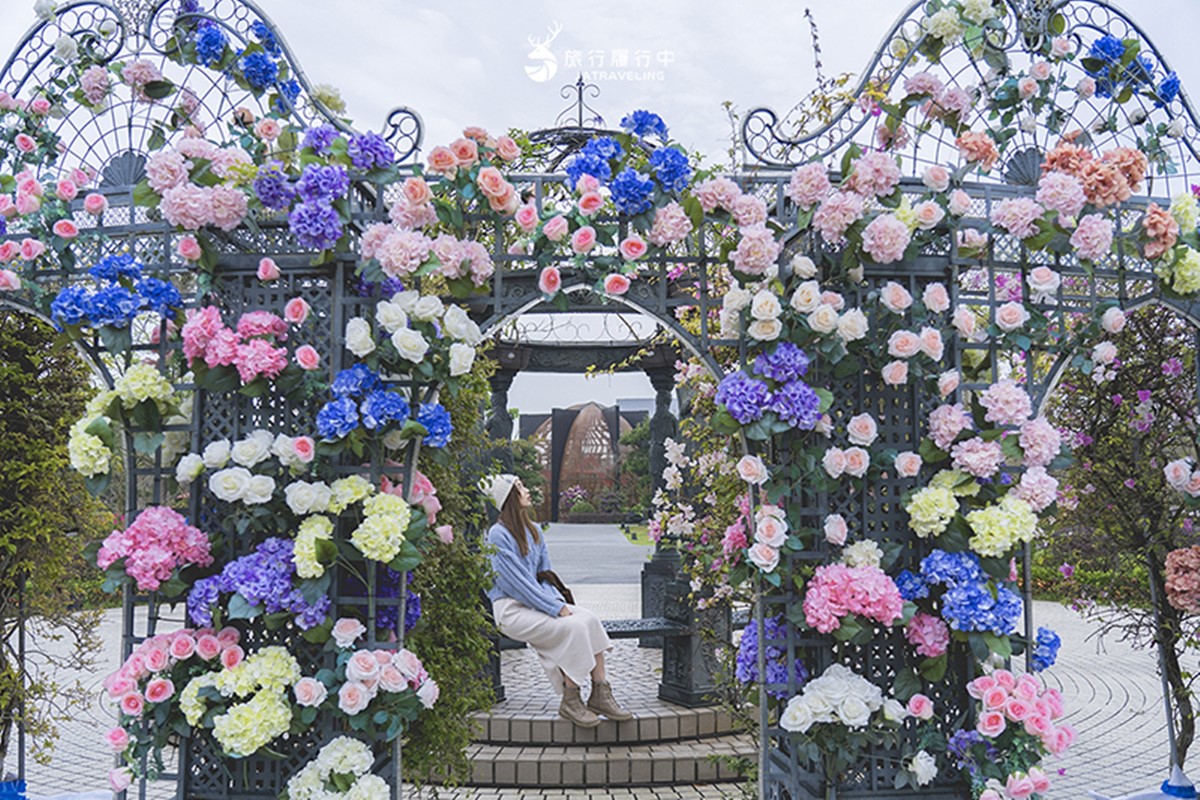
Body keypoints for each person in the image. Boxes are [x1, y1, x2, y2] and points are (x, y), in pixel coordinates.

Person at [483, 473, 632, 728]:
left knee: (590, 620)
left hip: (537, 602)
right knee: (573, 627)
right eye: (520, 487)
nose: (527, 490)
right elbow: (516, 585)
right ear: (508, 498)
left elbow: (544, 576)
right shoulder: (498, 535)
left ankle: (600, 692)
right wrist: (556, 608)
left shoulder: (534, 531)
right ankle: (571, 700)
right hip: (510, 610)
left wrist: (557, 604)